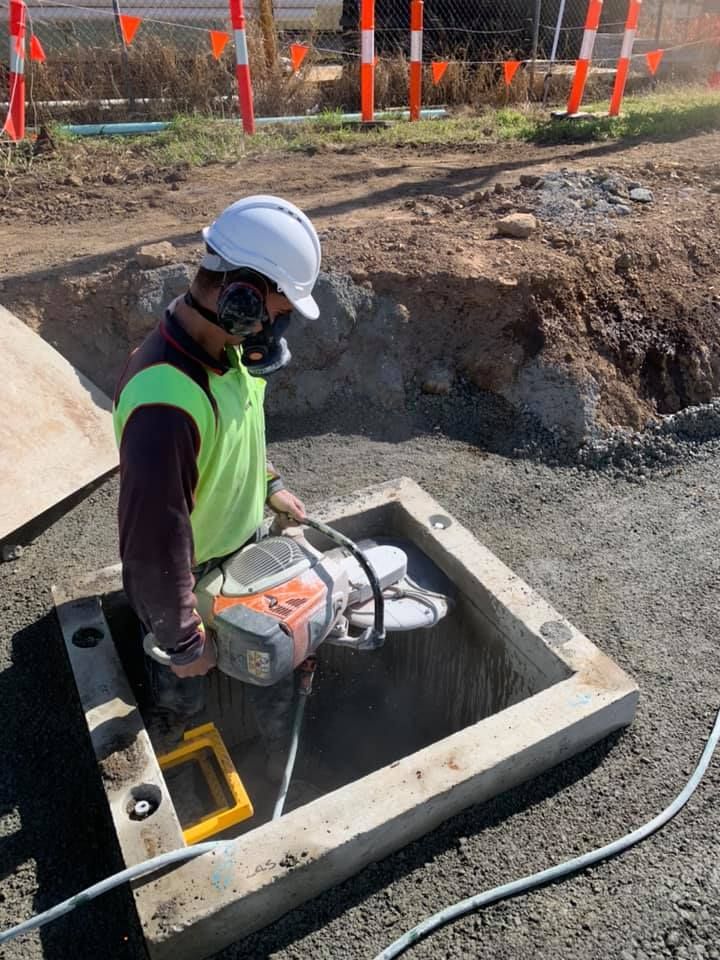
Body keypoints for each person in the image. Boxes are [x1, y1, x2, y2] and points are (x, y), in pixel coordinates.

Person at [113, 195, 321, 750]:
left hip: (245, 555)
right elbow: (152, 542)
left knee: (274, 669)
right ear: (242, 297)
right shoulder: (165, 401)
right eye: (279, 310)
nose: (279, 327)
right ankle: (169, 739)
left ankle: (277, 752)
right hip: (189, 579)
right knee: (182, 691)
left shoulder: (227, 352)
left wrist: (270, 484)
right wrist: (183, 641)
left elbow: (235, 434)